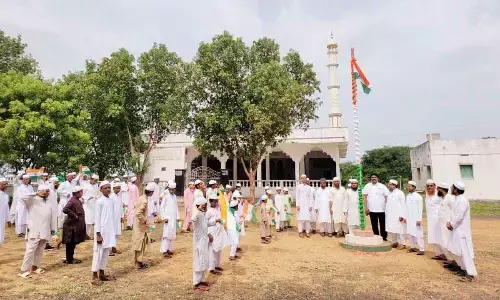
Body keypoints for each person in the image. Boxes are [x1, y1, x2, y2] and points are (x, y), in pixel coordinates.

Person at [18, 184, 56, 278]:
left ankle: (35, 267)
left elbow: (51, 217)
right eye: (46, 191)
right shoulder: (32, 201)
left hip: (45, 229)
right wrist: (36, 193)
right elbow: (22, 198)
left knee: (40, 249)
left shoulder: (48, 202)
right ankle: (24, 270)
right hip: (35, 229)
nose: (48, 193)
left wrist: (52, 229)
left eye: (48, 191)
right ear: (41, 191)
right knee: (30, 250)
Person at [446, 181, 477, 282]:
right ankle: (463, 269)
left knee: (464, 252)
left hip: (461, 231)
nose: (451, 188)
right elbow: (454, 215)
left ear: (455, 189)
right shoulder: (457, 199)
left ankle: (470, 274)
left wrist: (452, 224)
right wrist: (450, 223)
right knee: (457, 250)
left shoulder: (462, 200)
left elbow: (459, 216)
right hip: (456, 229)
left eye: (452, 187)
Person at [91, 181, 116, 284]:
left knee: (105, 254)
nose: (108, 189)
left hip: (109, 231)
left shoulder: (110, 200)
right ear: (101, 189)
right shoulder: (99, 201)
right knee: (98, 253)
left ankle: (102, 273)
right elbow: (97, 218)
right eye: (105, 188)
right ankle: (94, 275)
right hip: (101, 232)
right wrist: (98, 234)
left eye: (109, 187)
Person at [132, 182, 154, 270]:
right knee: (140, 243)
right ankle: (138, 264)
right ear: (151, 192)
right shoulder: (144, 200)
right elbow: (138, 213)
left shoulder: (141, 197)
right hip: (141, 226)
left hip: (137, 224)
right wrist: (144, 220)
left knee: (138, 243)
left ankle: (139, 262)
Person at [62, 186, 86, 264]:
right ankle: (69, 259)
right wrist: (74, 216)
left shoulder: (77, 200)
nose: (82, 193)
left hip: (75, 226)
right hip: (71, 226)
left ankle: (70, 258)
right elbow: (65, 209)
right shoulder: (72, 201)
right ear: (77, 193)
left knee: (72, 243)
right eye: (81, 192)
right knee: (70, 243)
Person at [362, 174, 389, 241]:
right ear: (370, 179)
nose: (373, 178)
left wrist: (387, 208)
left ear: (377, 178)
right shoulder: (367, 186)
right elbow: (364, 197)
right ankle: (376, 237)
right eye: (372, 177)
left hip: (382, 209)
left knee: (383, 224)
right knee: (374, 225)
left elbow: (386, 197)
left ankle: (384, 237)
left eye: (375, 177)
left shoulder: (382, 186)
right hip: (371, 209)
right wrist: (366, 207)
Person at [192, 196, 210, 291]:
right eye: (204, 205)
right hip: (198, 241)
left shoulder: (203, 214)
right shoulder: (197, 213)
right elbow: (193, 219)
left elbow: (206, 224)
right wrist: (198, 210)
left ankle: (202, 280)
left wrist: (216, 221)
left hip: (204, 240)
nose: (206, 207)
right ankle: (196, 282)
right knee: (198, 261)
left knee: (203, 260)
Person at [207, 194, 226, 275]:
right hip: (212, 232)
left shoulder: (217, 209)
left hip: (218, 231)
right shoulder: (208, 211)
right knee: (212, 250)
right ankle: (211, 268)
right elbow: (205, 223)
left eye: (216, 202)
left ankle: (217, 265)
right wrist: (208, 234)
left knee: (218, 248)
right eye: (214, 202)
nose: (215, 203)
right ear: (210, 202)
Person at [160, 182, 180, 258]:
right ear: (168, 189)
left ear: (175, 189)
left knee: (171, 234)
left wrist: (177, 217)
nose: (171, 191)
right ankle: (164, 251)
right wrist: (164, 217)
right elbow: (162, 208)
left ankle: (168, 249)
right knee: (166, 234)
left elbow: (176, 207)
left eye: (173, 190)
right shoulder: (166, 196)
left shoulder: (174, 196)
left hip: (173, 218)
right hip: (167, 219)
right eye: (170, 189)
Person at [385, 179, 407, 249]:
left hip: (398, 215)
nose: (389, 186)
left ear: (394, 185)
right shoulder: (389, 193)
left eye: (390, 184)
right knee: (392, 228)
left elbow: (403, 205)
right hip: (390, 215)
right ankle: (394, 242)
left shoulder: (400, 193)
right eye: (389, 184)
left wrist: (402, 215)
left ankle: (403, 244)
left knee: (400, 229)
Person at [425, 179, 442, 259]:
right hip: (430, 220)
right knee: (433, 236)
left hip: (438, 219)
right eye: (428, 186)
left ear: (435, 186)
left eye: (431, 186)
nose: (429, 187)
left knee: (440, 236)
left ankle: (444, 253)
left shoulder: (439, 195)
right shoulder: (427, 195)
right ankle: (438, 253)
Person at [406, 181, 425, 255]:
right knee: (411, 233)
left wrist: (419, 219)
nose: (408, 187)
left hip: (416, 218)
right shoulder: (408, 196)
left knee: (418, 233)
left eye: (410, 186)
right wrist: (405, 217)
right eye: (408, 186)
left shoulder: (418, 197)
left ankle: (422, 249)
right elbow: (406, 207)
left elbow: (420, 209)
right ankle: (412, 247)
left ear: (414, 187)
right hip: (409, 218)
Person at [437, 182, 454, 261]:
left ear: (442, 189)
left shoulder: (449, 198)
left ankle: (452, 261)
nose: (437, 190)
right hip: (442, 224)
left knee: (447, 243)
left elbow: (455, 211)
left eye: (438, 188)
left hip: (447, 225)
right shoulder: (443, 198)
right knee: (443, 242)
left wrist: (451, 222)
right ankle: (449, 260)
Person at [82, 174, 99, 239]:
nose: (95, 182)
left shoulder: (96, 186)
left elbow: (97, 194)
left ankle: (88, 234)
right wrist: (87, 198)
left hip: (94, 204)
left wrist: (96, 197)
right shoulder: (85, 185)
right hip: (87, 204)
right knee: (86, 220)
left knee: (91, 221)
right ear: (91, 179)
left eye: (96, 181)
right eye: (95, 180)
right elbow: (82, 195)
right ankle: (83, 234)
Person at [110, 182, 123, 255]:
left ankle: (114, 248)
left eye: (119, 188)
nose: (118, 190)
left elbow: (120, 207)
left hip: (118, 218)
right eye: (117, 188)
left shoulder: (119, 196)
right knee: (112, 233)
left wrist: (121, 216)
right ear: (113, 188)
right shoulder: (111, 197)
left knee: (117, 234)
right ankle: (110, 249)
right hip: (112, 218)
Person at [0, 177, 11, 245]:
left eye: (5, 184)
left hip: (2, 217)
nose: (4, 186)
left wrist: (8, 219)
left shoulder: (6, 196)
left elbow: (6, 208)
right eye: (3, 184)